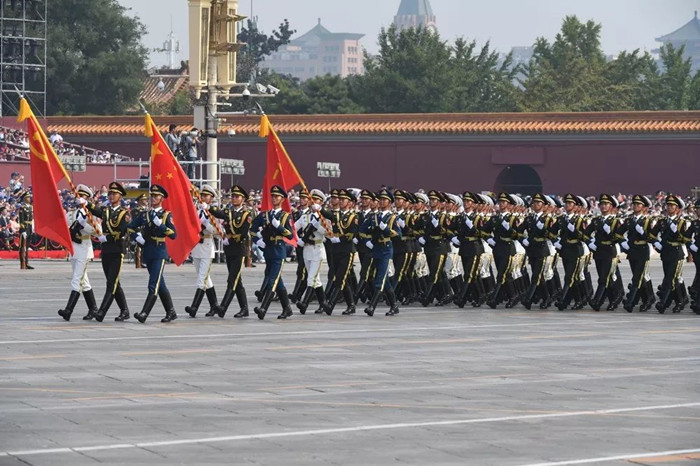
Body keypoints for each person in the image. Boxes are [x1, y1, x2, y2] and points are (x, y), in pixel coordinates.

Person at [128, 184, 178, 323]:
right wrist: (137, 237)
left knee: (153, 285)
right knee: (160, 284)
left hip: (159, 252)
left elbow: (173, 235)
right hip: (148, 251)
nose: (153, 198)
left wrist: (160, 225)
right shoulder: (145, 215)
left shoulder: (166, 215)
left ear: (162, 198)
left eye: (156, 196)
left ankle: (144, 313)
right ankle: (171, 312)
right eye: (152, 196)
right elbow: (130, 227)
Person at [87, 182, 131, 322]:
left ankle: (101, 312)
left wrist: (107, 238)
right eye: (110, 193)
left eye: (114, 194)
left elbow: (122, 231)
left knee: (111, 283)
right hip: (106, 250)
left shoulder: (124, 213)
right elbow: (96, 211)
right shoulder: (106, 210)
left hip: (117, 250)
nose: (111, 196)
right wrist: (86, 203)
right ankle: (124, 310)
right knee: (113, 282)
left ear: (120, 196)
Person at [251, 185, 295, 320]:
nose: (274, 198)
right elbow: (252, 229)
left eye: (277, 196)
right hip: (268, 250)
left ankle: (263, 308)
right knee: (277, 281)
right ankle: (287, 309)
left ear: (282, 199)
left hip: (279, 251)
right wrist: (258, 241)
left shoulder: (285, 216)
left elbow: (290, 235)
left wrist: (278, 226)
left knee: (272, 281)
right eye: (273, 196)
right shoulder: (264, 215)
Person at [209, 185, 252, 318]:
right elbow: (218, 213)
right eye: (232, 196)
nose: (234, 199)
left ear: (243, 199)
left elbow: (243, 233)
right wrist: (208, 207)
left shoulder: (247, 214)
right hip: (229, 250)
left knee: (232, 280)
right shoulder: (229, 212)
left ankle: (223, 307)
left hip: (239, 249)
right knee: (237, 281)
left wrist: (231, 238)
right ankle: (244, 309)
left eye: (237, 197)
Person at [58, 185, 99, 321]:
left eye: (83, 197)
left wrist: (83, 225)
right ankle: (93, 309)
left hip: (84, 248)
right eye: (78, 196)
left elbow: (97, 231)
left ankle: (68, 310)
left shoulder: (89, 214)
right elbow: (66, 227)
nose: (79, 199)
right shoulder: (71, 213)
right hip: (74, 248)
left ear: (87, 199)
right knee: (84, 281)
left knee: (77, 279)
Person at [359, 188, 401, 316]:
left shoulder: (393, 217)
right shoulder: (374, 216)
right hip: (376, 249)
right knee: (385, 281)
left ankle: (372, 307)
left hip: (386, 250)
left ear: (390, 202)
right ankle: (394, 306)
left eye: (384, 200)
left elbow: (398, 235)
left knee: (380, 280)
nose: (382, 202)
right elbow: (362, 230)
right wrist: (367, 241)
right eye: (380, 200)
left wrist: (386, 229)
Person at [185, 185, 223, 318]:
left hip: (207, 246)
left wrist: (206, 224)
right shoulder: (197, 210)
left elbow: (219, 232)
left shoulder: (213, 212)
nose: (202, 197)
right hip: (197, 246)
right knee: (205, 279)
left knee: (202, 279)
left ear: (211, 198)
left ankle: (194, 308)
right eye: (201, 195)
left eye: (206, 196)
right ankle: (215, 306)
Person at [651, 194, 690, 313]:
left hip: (676, 253)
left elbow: (685, 239)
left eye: (672, 206)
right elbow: (652, 234)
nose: (669, 207)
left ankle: (663, 303)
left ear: (677, 208)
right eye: (668, 205)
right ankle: (681, 300)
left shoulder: (682, 222)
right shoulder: (662, 221)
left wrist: (676, 232)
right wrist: (656, 243)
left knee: (670, 279)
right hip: (665, 253)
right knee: (673, 279)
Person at [295, 189, 331, 314]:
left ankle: (304, 303)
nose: (313, 202)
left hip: (317, 250)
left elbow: (329, 233)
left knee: (311, 278)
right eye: (312, 199)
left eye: (316, 200)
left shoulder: (324, 216)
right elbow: (294, 228)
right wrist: (297, 240)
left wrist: (318, 227)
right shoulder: (305, 216)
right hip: (307, 249)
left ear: (321, 203)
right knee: (316, 280)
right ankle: (325, 305)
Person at [621, 195, 655, 312]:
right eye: (634, 204)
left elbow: (651, 237)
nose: (635, 206)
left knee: (637, 278)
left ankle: (630, 302)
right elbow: (618, 233)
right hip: (632, 251)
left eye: (638, 204)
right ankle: (648, 299)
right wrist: (623, 242)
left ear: (644, 207)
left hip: (642, 251)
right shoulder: (629, 220)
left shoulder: (647, 221)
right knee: (640, 277)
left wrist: (643, 233)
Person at [16, 189, 33, 269]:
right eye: (28, 197)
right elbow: (21, 220)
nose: (29, 198)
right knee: (22, 247)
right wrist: (23, 230)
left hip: (29, 228)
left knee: (27, 246)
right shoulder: (22, 208)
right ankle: (22, 263)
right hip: (24, 228)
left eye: (29, 197)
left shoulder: (30, 207)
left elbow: (31, 219)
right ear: (24, 198)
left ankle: (26, 262)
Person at [132, 193, 149, 268]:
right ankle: (139, 262)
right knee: (139, 247)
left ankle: (145, 261)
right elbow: (135, 222)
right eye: (144, 200)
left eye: (146, 199)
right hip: (139, 230)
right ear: (139, 201)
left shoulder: (147, 209)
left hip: (146, 231)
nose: (146, 201)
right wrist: (138, 231)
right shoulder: (136, 210)